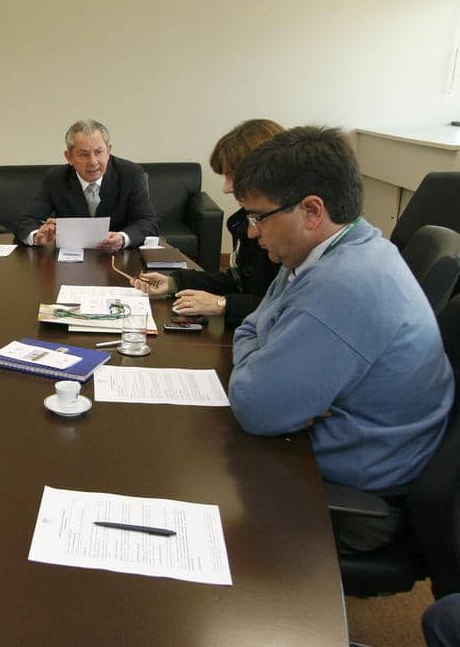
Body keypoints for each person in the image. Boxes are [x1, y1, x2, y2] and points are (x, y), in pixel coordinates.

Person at [227, 126, 452, 554]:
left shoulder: (346, 283)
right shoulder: (329, 252)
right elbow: (250, 327)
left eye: (259, 217)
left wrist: (261, 368)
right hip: (333, 453)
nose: (253, 233)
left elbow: (257, 407)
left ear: (312, 210)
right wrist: (263, 358)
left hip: (352, 487)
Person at [131, 119, 283, 324]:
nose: (226, 188)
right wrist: (174, 282)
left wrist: (222, 304)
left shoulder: (287, 235)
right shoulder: (245, 221)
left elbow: (285, 308)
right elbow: (239, 282)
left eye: (232, 176)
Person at [14, 119, 159, 252]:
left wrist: (122, 238)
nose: (93, 161)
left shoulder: (130, 174)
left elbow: (148, 222)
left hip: (117, 258)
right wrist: (36, 236)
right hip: (70, 261)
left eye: (99, 152)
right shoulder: (55, 178)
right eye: (83, 154)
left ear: (109, 151)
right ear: (69, 157)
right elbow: (25, 220)